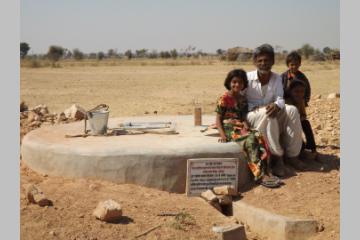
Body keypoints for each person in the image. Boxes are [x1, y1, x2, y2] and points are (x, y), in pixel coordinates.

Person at [245, 44, 307, 177]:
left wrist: (277, 105)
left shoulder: (277, 78)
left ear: (272, 62)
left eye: (266, 60)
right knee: (269, 112)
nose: (263, 64)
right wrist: (263, 107)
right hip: (252, 115)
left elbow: (280, 98)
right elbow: (240, 100)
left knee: (292, 110)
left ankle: (292, 156)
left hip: (270, 112)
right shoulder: (247, 77)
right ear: (255, 62)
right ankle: (278, 157)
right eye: (260, 61)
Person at [216, 69, 280, 188]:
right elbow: (218, 119)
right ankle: (259, 175)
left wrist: (246, 125)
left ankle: (267, 170)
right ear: (229, 83)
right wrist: (223, 135)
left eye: (240, 83)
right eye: (234, 82)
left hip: (240, 126)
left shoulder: (243, 99)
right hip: (229, 128)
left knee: (259, 136)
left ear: (244, 84)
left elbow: (243, 117)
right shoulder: (224, 98)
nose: (237, 85)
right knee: (250, 140)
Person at [284, 80, 318, 159]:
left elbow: (303, 115)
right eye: (296, 91)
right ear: (290, 92)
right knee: (300, 146)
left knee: (306, 123)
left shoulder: (301, 100)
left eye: (302, 91)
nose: (299, 94)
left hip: (298, 122)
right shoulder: (286, 102)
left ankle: (312, 147)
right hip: (287, 125)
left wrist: (299, 120)